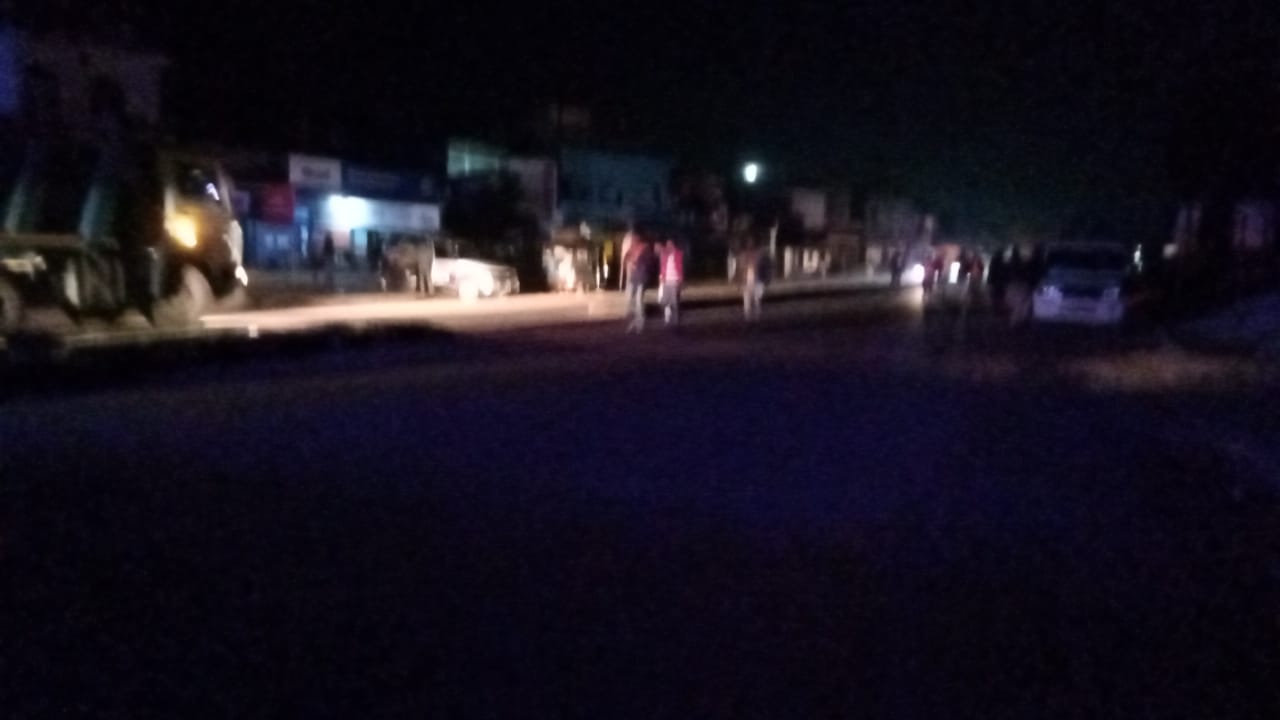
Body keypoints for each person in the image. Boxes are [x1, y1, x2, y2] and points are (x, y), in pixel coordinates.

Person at [624, 237, 651, 333]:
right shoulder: (631, 249)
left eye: (634, 240)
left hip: (641, 279)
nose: (632, 242)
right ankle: (634, 321)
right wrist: (630, 260)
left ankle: (640, 324)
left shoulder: (645, 249)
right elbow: (626, 257)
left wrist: (636, 264)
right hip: (633, 279)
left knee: (639, 300)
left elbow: (648, 264)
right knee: (630, 301)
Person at [738, 242, 770, 321]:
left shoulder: (759, 259)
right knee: (747, 300)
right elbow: (740, 271)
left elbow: (765, 270)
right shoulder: (744, 259)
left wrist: (765, 281)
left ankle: (755, 316)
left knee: (756, 300)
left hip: (756, 282)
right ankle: (748, 316)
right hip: (747, 282)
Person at [657, 238, 684, 327]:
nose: (668, 246)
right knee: (664, 301)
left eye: (670, 244)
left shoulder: (678, 254)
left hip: (674, 281)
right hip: (666, 281)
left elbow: (680, 267)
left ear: (673, 245)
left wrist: (680, 280)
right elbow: (662, 266)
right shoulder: (664, 255)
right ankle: (669, 318)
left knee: (674, 302)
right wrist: (661, 276)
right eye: (667, 244)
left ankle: (675, 321)